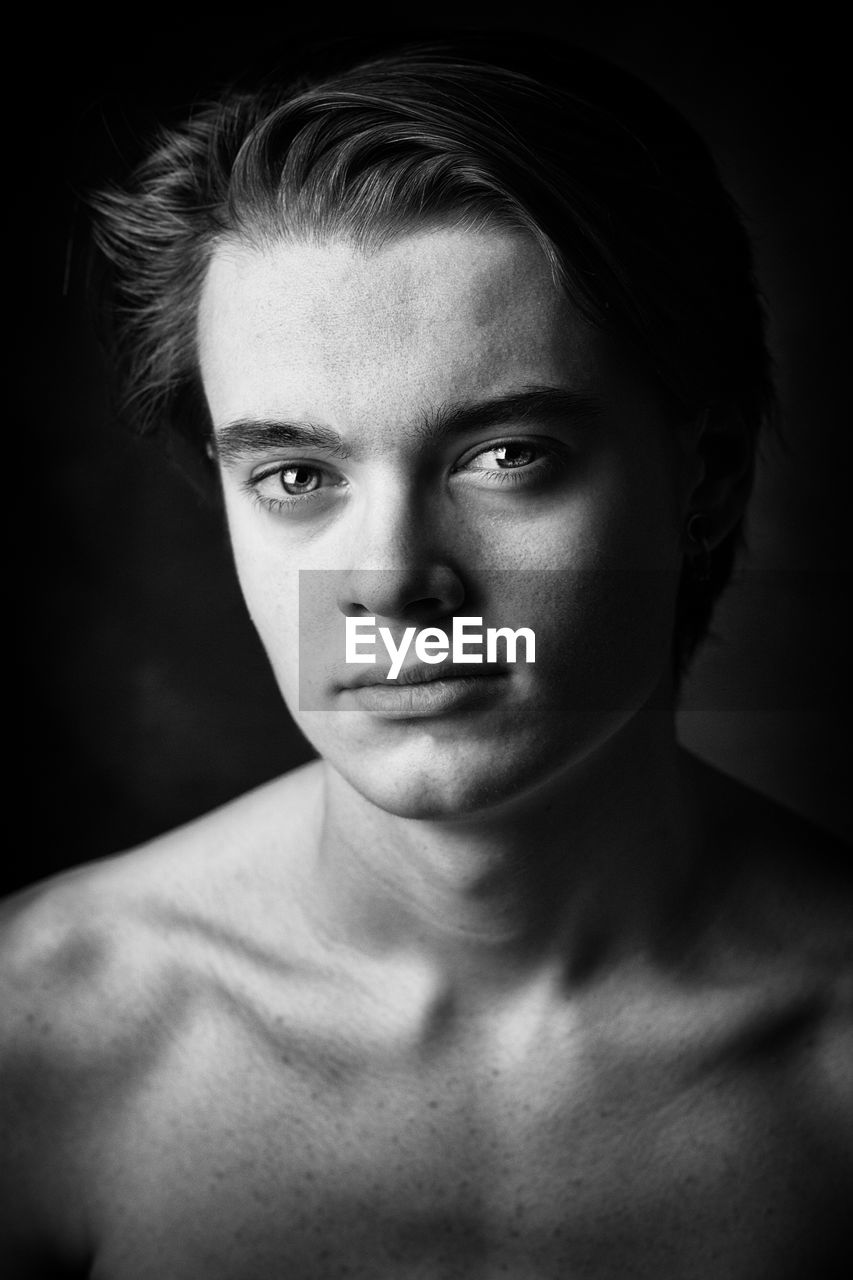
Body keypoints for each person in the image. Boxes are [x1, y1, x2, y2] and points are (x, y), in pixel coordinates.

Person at [2, 32, 850, 1279]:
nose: (393, 583)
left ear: (705, 477)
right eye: (297, 474)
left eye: (505, 455)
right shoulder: (39, 1036)